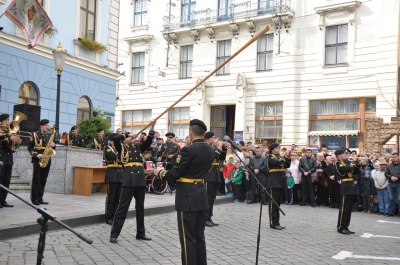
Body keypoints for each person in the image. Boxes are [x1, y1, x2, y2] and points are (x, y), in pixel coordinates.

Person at [155, 119, 214, 265]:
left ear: (190, 133)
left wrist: (160, 172)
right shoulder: (210, 150)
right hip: (200, 193)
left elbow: (174, 174)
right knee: (199, 236)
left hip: (187, 196)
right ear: (204, 133)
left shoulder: (188, 150)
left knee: (188, 238)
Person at [109, 121, 156, 244]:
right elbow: (115, 138)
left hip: (140, 180)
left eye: (132, 138)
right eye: (129, 138)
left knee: (140, 208)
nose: (132, 139)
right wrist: (127, 135)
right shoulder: (121, 147)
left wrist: (152, 127)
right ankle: (114, 234)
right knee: (122, 208)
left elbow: (148, 142)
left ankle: (141, 233)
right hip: (129, 180)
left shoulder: (137, 148)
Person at [28, 119, 55, 205]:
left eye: (48, 125)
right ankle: (34, 198)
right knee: (36, 179)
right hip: (38, 159)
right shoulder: (35, 134)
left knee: (43, 180)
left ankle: (40, 198)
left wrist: (53, 146)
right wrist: (36, 155)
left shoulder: (49, 135)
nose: (47, 127)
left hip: (47, 159)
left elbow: (52, 148)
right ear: (41, 126)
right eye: (46, 125)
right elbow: (30, 147)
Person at [204, 131, 226, 227]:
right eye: (213, 137)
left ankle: (209, 217)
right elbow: (213, 156)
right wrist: (219, 148)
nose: (215, 139)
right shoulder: (205, 147)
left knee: (212, 198)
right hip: (208, 175)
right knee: (207, 198)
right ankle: (205, 218)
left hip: (215, 175)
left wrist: (224, 149)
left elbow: (221, 158)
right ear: (208, 138)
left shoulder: (212, 147)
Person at [266, 143, 291, 230]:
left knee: (278, 204)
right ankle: (273, 223)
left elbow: (287, 165)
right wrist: (285, 156)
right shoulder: (270, 157)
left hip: (281, 182)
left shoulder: (280, 157)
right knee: (273, 203)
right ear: (272, 150)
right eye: (276, 148)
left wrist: (288, 158)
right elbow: (277, 162)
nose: (278, 149)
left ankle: (277, 222)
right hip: (273, 182)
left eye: (278, 148)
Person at [0, 114, 22, 208]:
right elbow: (4, 144)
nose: (8, 122)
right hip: (1, 159)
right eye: (6, 120)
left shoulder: (10, 131)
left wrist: (17, 141)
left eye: (8, 120)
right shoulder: (1, 131)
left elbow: (12, 148)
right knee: (0, 181)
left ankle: (3, 200)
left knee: (6, 181)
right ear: (1, 121)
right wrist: (9, 138)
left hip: (9, 159)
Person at [335, 149, 358, 235]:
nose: (345, 155)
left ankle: (346, 226)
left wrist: (358, 164)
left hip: (351, 186)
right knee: (344, 208)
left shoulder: (348, 162)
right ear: (338, 155)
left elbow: (355, 171)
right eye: (343, 154)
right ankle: (341, 227)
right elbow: (348, 169)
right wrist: (354, 161)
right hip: (345, 186)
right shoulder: (338, 163)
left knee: (349, 209)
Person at [103, 133, 123, 225]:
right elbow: (113, 156)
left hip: (120, 175)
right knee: (111, 197)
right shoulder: (107, 148)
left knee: (118, 197)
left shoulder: (119, 148)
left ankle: (115, 215)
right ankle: (108, 217)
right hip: (112, 174)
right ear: (111, 141)